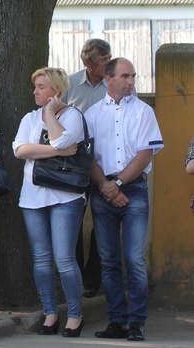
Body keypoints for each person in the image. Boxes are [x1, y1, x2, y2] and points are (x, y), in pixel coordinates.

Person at [86, 57, 163, 342]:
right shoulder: (93, 114)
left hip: (133, 189)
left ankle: (137, 321)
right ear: (109, 79)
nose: (131, 81)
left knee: (134, 258)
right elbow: (89, 156)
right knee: (109, 260)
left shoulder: (144, 111)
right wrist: (105, 186)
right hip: (102, 189)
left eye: (133, 76)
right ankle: (116, 320)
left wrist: (116, 184)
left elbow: (145, 153)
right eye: (125, 76)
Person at [13, 67, 86, 337]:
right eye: (35, 87)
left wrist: (51, 114)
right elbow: (20, 150)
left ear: (56, 90)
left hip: (66, 197)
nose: (35, 91)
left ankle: (75, 315)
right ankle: (50, 313)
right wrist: (58, 151)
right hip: (32, 198)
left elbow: (63, 138)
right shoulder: (30, 118)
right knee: (41, 259)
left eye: (41, 87)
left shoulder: (74, 115)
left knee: (65, 259)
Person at [64, 38, 111, 298]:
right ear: (87, 63)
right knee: (72, 219)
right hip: (76, 164)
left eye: (108, 59)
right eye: (102, 61)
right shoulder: (69, 84)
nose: (107, 65)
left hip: (107, 163)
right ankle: (75, 278)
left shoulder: (116, 83)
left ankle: (93, 279)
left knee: (102, 222)